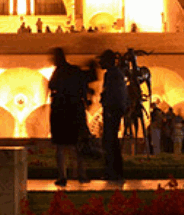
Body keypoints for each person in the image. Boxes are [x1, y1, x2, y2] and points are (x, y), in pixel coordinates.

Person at [48, 47, 95, 186]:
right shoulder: (74, 71)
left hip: (61, 113)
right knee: (77, 145)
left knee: (61, 147)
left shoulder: (58, 73)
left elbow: (52, 86)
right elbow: (89, 78)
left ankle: (63, 176)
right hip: (74, 111)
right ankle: (81, 174)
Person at [100, 49, 127, 181]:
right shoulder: (115, 73)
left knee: (110, 141)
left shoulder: (112, 74)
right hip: (113, 110)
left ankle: (113, 172)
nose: (100, 62)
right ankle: (114, 171)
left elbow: (113, 93)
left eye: (102, 60)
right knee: (111, 141)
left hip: (112, 111)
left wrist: (110, 109)